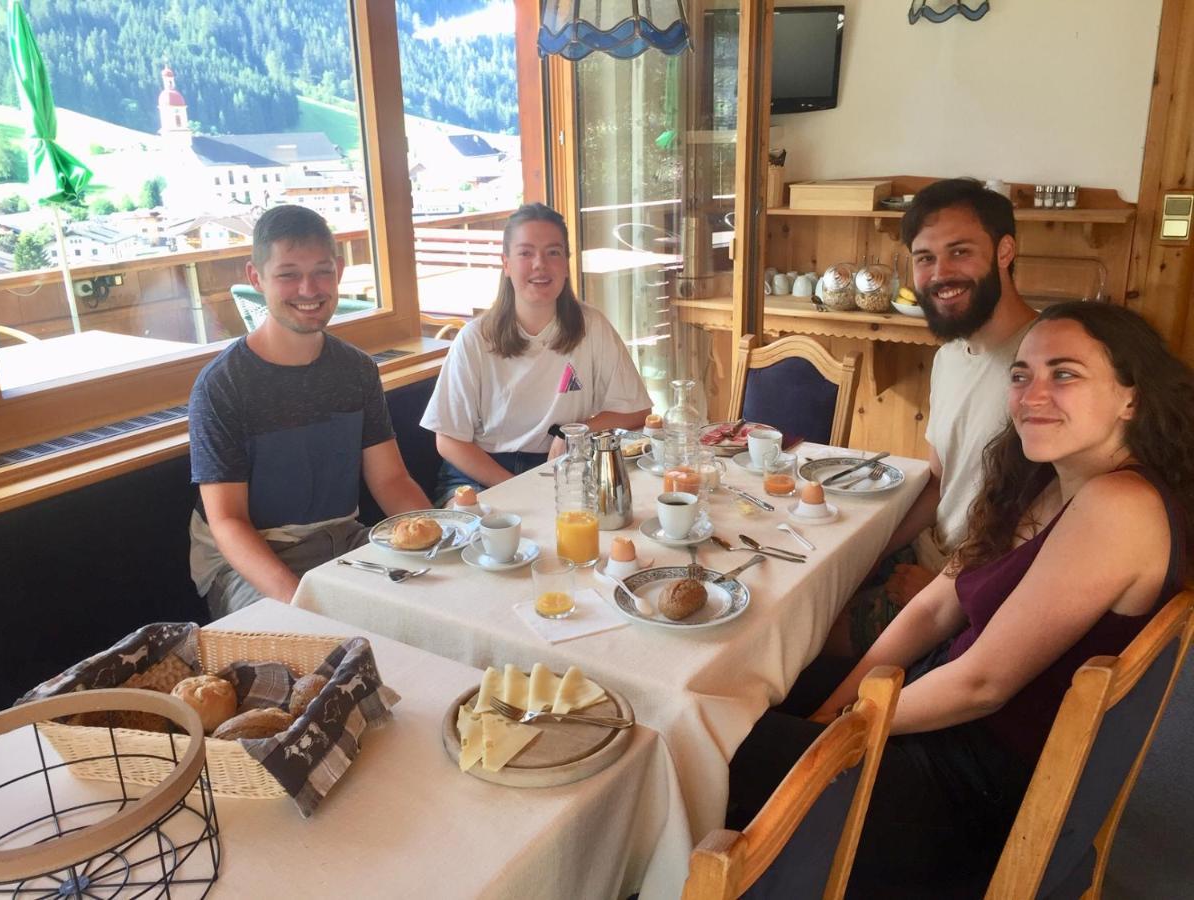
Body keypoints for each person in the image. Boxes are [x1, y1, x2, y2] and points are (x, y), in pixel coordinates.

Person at [728, 302, 1193, 894]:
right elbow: (933, 608)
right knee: (752, 686)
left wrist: (843, 729)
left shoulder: (1119, 507)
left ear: (1132, 396)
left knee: (713, 750)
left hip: (966, 794)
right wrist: (836, 710)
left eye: (1065, 373)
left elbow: (982, 683)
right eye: (1021, 375)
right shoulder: (1044, 483)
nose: (1033, 394)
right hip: (942, 722)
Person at [188, 205, 430, 617]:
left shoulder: (356, 370)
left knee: (442, 603)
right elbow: (228, 523)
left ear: (338, 270)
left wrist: (441, 537)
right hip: (253, 560)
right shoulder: (223, 385)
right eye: (288, 274)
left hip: (345, 542)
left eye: (321, 271)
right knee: (314, 651)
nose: (308, 288)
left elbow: (390, 479)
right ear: (256, 278)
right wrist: (303, 600)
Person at [831, 178, 1039, 656]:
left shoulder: (1042, 365)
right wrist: (872, 552)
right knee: (803, 586)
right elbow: (939, 482)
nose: (940, 272)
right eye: (925, 258)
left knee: (806, 636)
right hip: (931, 556)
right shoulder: (950, 356)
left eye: (960, 252)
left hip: (971, 592)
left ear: (1005, 251)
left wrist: (948, 591)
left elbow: (1043, 533)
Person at [420, 203, 652, 505]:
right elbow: (449, 440)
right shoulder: (474, 338)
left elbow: (637, 410)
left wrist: (575, 432)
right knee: (495, 539)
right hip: (480, 473)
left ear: (566, 264)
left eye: (553, 252)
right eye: (526, 253)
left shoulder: (592, 327)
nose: (540, 264)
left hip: (564, 466)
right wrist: (518, 489)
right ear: (506, 264)